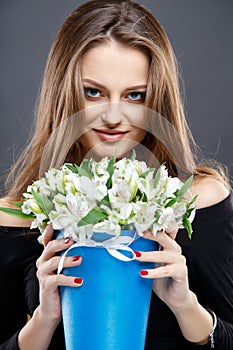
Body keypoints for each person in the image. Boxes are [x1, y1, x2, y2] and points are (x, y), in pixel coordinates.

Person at [0, 0, 232, 349]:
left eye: (135, 96)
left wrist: (187, 307)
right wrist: (44, 321)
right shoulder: (14, 216)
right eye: (93, 92)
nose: (113, 116)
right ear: (63, 93)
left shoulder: (201, 199)